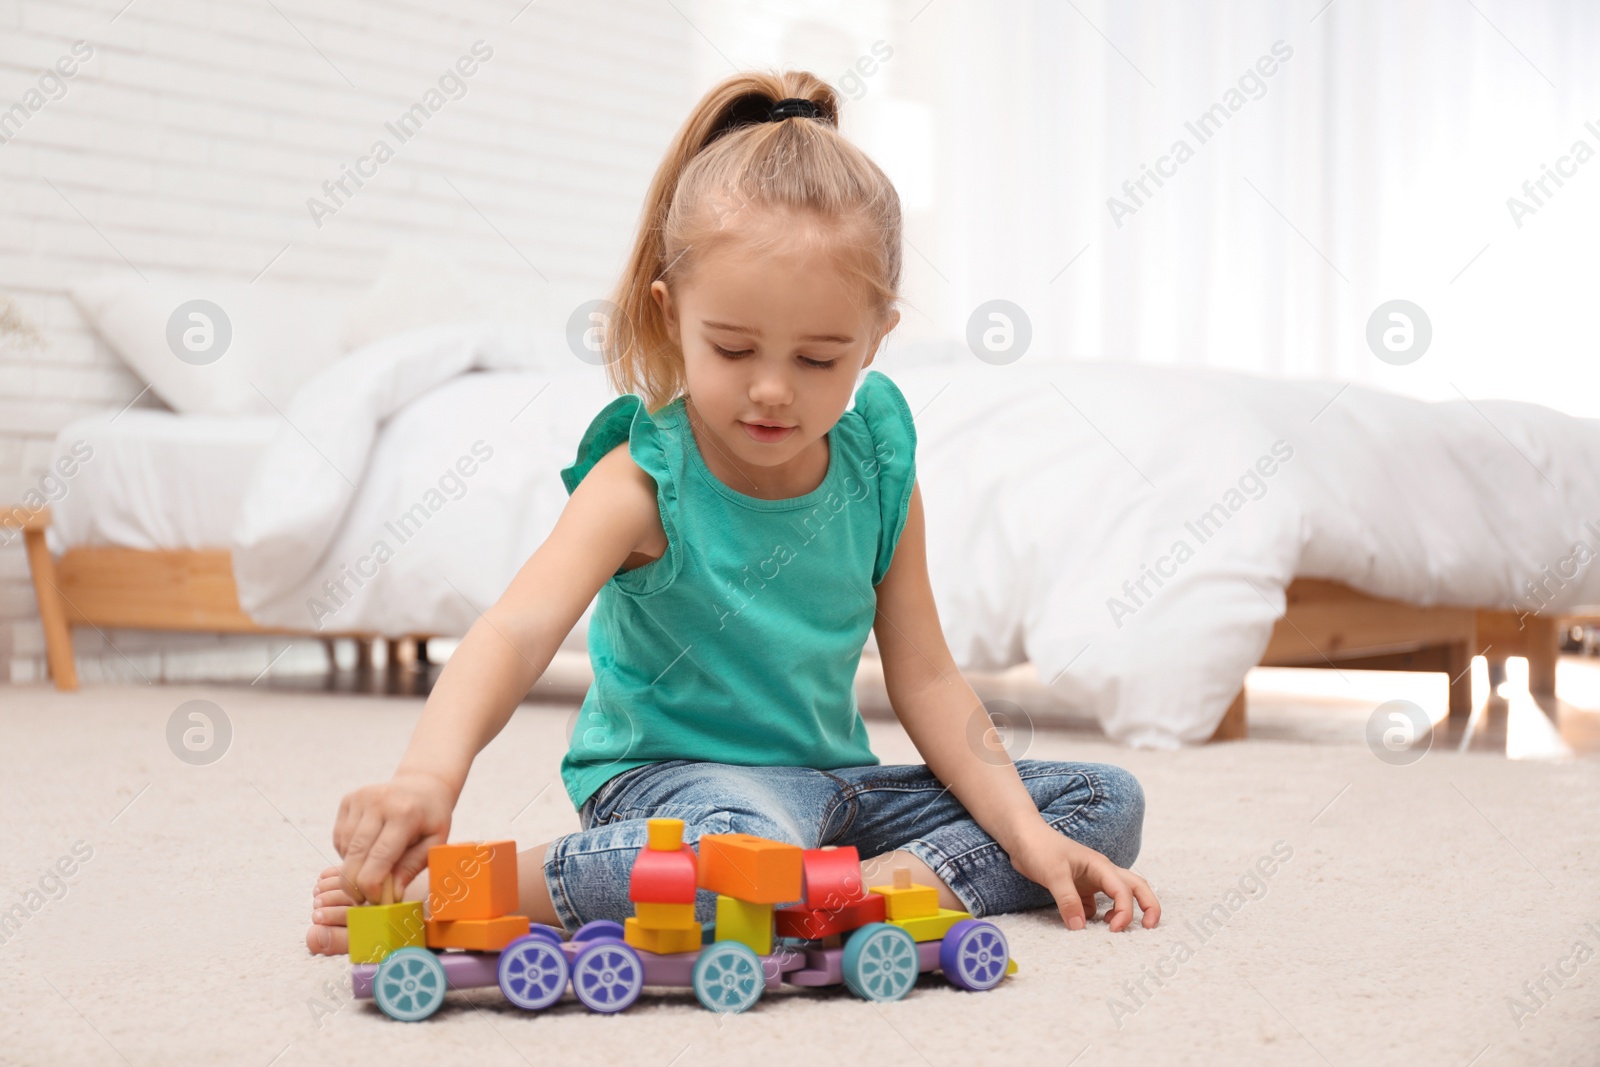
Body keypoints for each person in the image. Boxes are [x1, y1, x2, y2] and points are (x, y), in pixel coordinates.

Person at [307, 69, 1158, 955]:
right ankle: (472, 891)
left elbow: (929, 679)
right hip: (676, 792)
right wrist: (426, 776)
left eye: (820, 358)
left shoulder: (879, 469)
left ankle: (848, 893)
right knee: (735, 858)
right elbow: (515, 632)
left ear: (876, 338)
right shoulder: (645, 479)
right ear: (672, 318)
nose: (771, 390)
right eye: (734, 346)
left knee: (1101, 803)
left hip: (833, 794)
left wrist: (1022, 833)